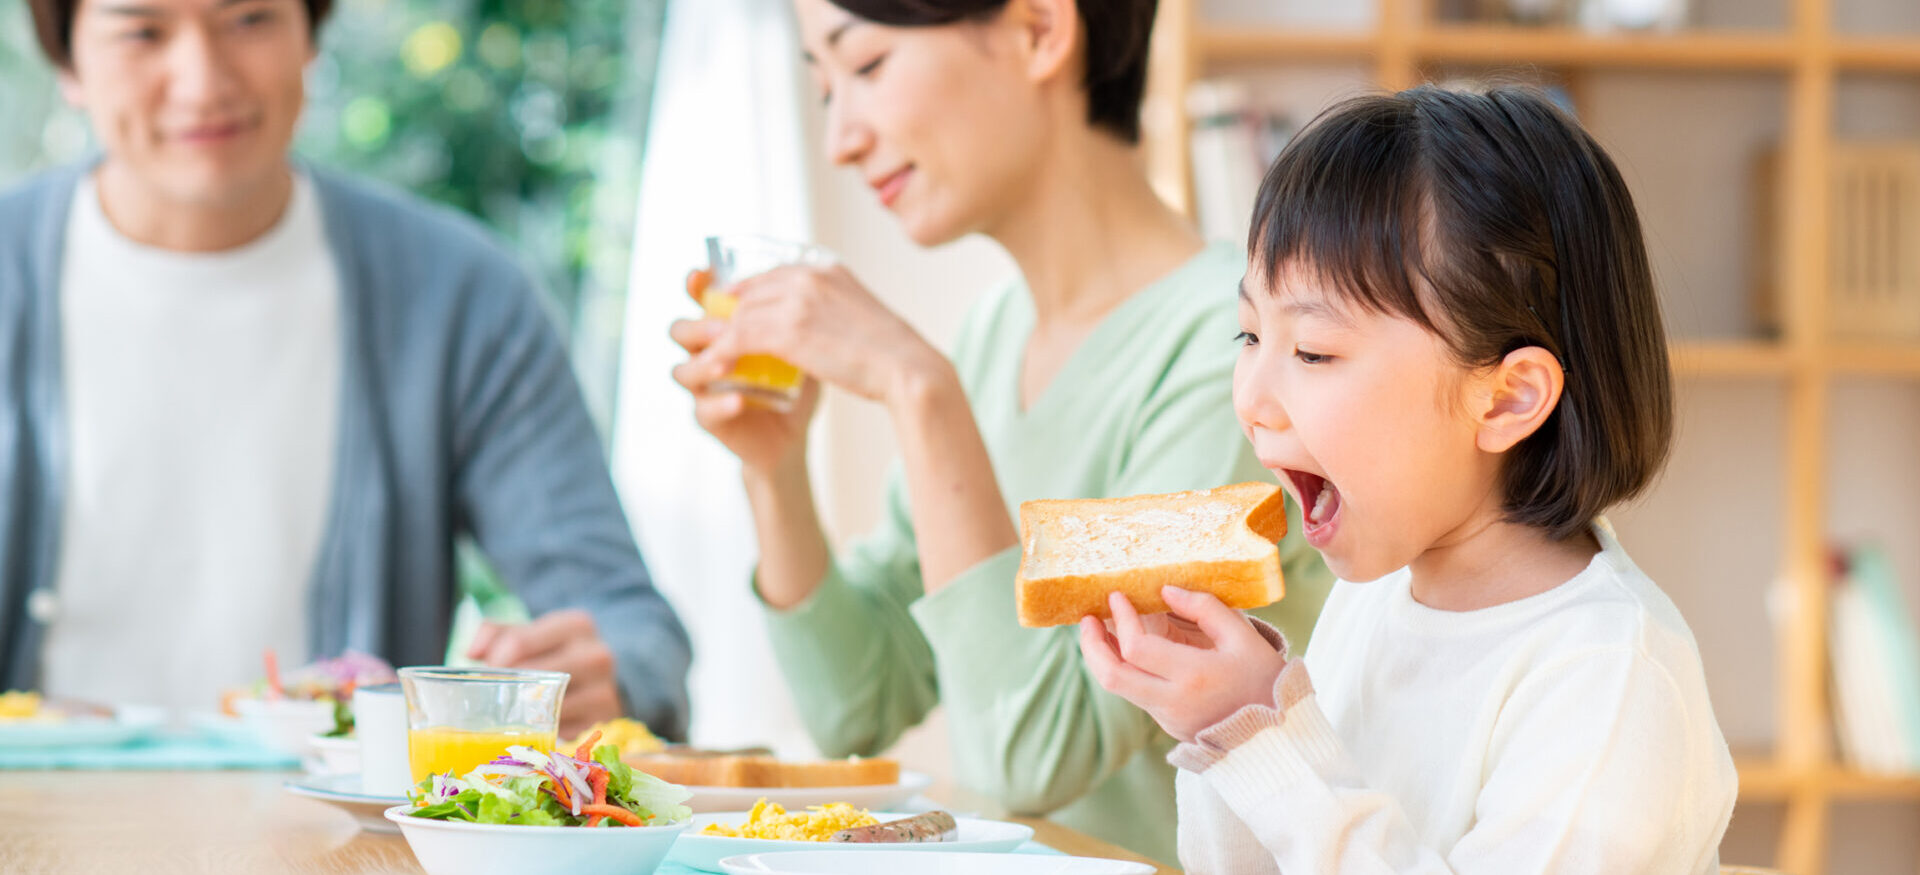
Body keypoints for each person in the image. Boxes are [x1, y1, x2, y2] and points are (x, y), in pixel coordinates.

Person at [669, 0, 1331, 862]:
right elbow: (856, 702)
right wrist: (774, 470)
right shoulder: (992, 336)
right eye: (824, 89)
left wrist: (918, 390)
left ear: (1040, 31)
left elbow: (1025, 760)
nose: (842, 140)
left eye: (865, 67)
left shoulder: (1234, 351)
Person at [1079, 85, 1740, 872]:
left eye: (1314, 352)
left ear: (1506, 397)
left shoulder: (1608, 673)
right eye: (1248, 333)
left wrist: (1265, 731)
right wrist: (1223, 730)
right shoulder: (1372, 599)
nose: (1250, 398)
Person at [0, 0, 691, 740]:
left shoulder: (457, 295)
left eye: (250, 20)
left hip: (338, 849)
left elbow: (629, 627)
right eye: (142, 31)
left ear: (311, 36)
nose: (202, 83)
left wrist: (603, 672)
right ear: (68, 60)